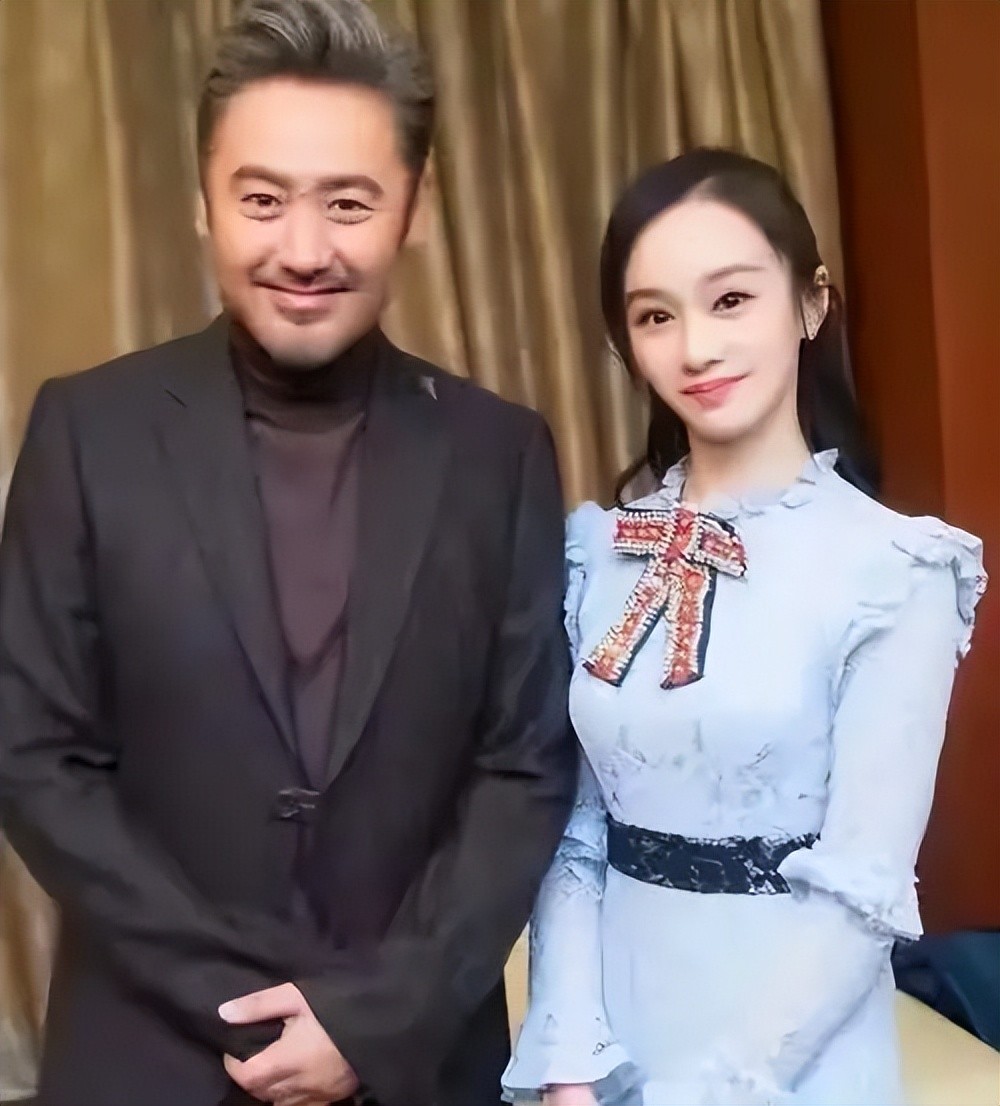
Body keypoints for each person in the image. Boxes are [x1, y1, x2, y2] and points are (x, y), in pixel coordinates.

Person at [0, 2, 576, 1104]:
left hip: (414, 1063)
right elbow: (33, 754)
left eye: (348, 203)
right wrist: (242, 1004)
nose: (303, 251)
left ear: (416, 205)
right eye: (261, 200)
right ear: (203, 200)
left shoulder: (498, 453)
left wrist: (374, 1017)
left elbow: (523, 767)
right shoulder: (88, 430)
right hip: (149, 1058)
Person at [502, 148, 987, 1106]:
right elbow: (573, 831)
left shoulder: (897, 570)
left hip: (789, 1068)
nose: (696, 348)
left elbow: (862, 890)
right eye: (655, 316)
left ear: (811, 304)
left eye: (730, 300)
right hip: (611, 1051)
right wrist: (567, 1062)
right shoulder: (595, 553)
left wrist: (712, 1094)